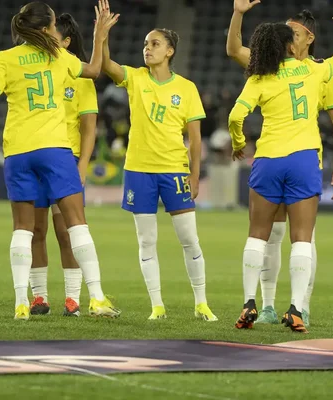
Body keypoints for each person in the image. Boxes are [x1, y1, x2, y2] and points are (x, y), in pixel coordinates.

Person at [0, 1, 120, 320]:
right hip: (55, 149)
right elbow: (94, 71)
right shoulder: (60, 57)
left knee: (23, 229)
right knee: (76, 224)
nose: (57, 30)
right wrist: (99, 36)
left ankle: (20, 303)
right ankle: (96, 297)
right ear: (45, 29)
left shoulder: (5, 58)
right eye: (54, 25)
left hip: (17, 151)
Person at [229, 2, 333, 333]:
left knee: (258, 235)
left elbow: (235, 116)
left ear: (306, 37)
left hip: (268, 158)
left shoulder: (260, 74)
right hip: (303, 159)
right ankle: (296, 309)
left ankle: (249, 302)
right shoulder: (317, 71)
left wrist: (238, 142)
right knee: (302, 239)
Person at [99, 0, 217, 321]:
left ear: (170, 52)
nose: (147, 49)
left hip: (174, 172)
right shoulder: (135, 78)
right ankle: (157, 306)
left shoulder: (186, 89)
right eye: (145, 44)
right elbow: (106, 65)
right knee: (146, 240)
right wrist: (102, 34)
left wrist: (194, 175)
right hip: (139, 171)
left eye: (155, 44)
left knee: (189, 239)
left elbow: (194, 138)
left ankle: (201, 303)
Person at [30, 13, 105, 317]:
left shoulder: (80, 77)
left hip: (67, 160)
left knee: (66, 231)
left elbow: (89, 127)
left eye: (51, 35)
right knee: (36, 229)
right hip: (35, 154)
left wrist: (83, 164)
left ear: (66, 41)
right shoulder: (36, 70)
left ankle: (72, 298)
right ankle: (39, 297)